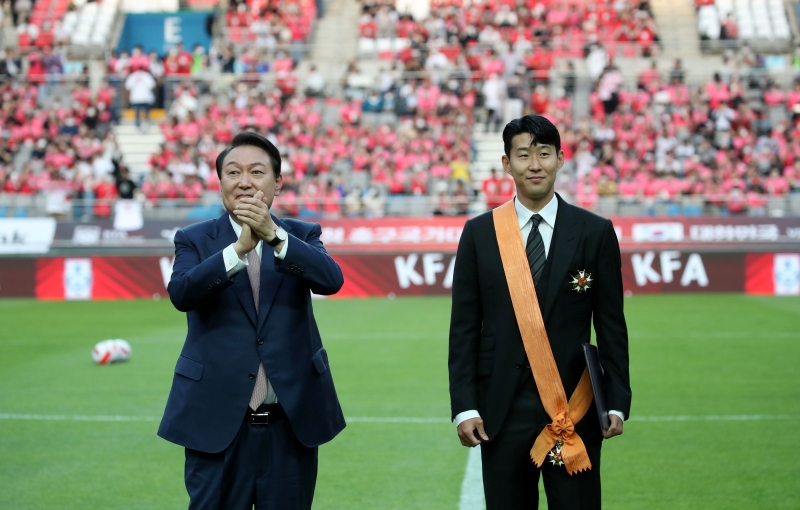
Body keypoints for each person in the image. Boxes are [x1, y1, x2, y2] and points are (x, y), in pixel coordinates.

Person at [449, 115, 631, 509]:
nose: (535, 164)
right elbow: (463, 328)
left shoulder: (594, 231)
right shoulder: (480, 234)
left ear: (561, 159)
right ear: (506, 163)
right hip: (500, 411)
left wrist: (615, 399)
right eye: (524, 155)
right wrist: (464, 405)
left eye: (544, 154)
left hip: (573, 409)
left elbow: (612, 324)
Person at [158, 132, 346, 510]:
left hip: (289, 424)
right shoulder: (193, 239)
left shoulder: (301, 234)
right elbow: (182, 293)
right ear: (221, 182)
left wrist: (274, 237)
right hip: (215, 423)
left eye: (257, 172)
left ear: (277, 182)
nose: (244, 181)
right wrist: (237, 250)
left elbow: (331, 280)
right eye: (233, 172)